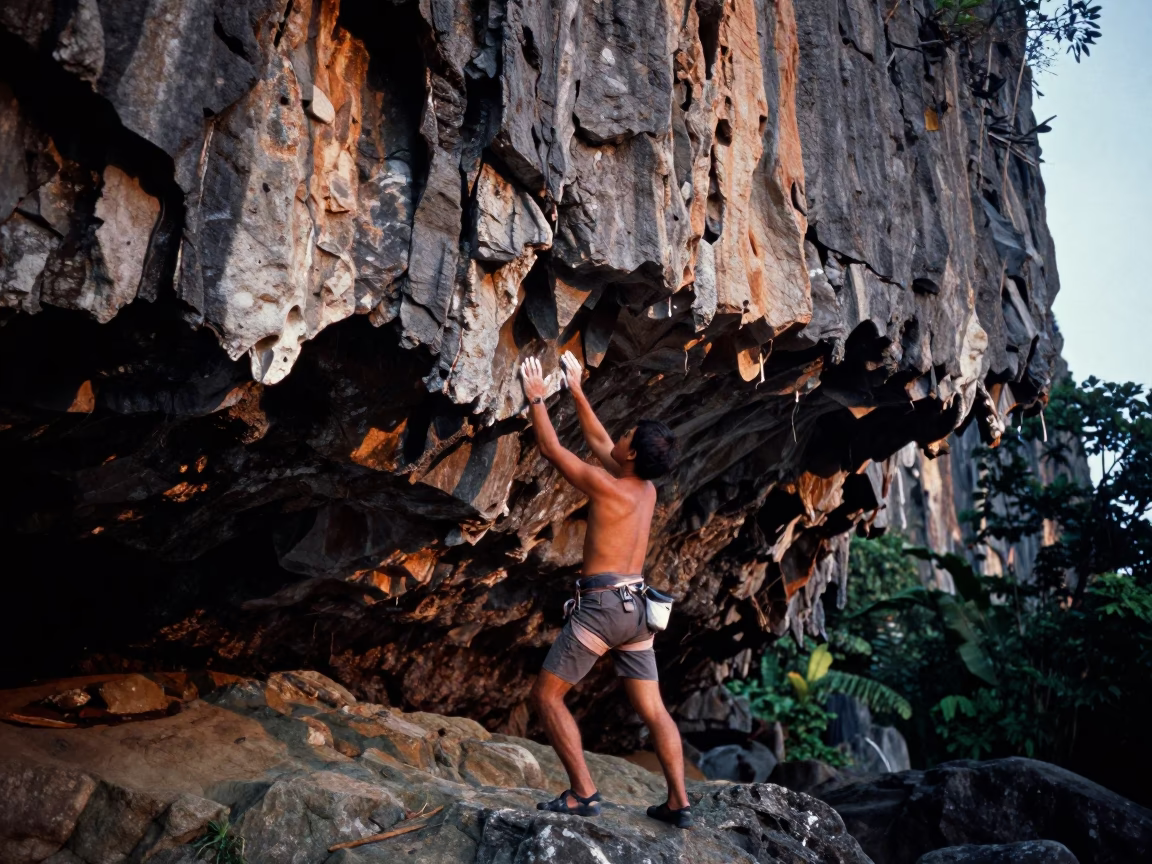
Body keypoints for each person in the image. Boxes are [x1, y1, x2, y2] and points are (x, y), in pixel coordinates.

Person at [518, 350, 692, 830]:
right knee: (653, 709)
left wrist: (537, 399)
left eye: (627, 437)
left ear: (632, 453)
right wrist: (575, 390)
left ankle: (583, 793)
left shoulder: (605, 486)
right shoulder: (644, 489)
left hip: (602, 610)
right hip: (638, 609)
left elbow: (555, 450)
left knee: (547, 697)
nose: (618, 438)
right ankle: (679, 802)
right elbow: (600, 442)